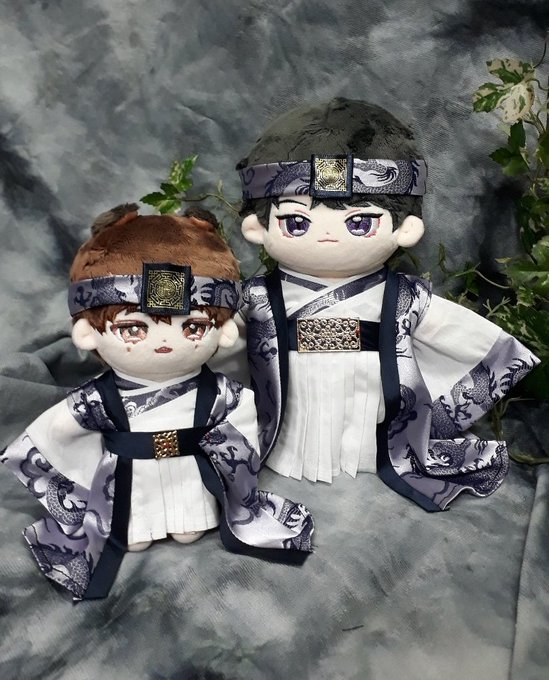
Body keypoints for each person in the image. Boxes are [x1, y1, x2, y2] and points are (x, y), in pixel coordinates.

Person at [235, 97, 539, 510]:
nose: (328, 237)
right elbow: (224, 344)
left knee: (369, 424)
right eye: (297, 222)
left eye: (360, 222)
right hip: (289, 403)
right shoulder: (258, 296)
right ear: (257, 228)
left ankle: (370, 453)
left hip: (375, 404)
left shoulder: (402, 297)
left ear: (405, 228)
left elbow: (455, 333)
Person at [1, 204, 313, 601]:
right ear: (87, 332)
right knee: (133, 518)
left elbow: (245, 420)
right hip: (130, 473)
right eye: (133, 328)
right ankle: (135, 526)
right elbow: (57, 430)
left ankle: (189, 519)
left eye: (194, 326)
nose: (164, 342)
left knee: (190, 516)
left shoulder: (214, 391)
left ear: (223, 331)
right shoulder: (101, 397)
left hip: (191, 469)